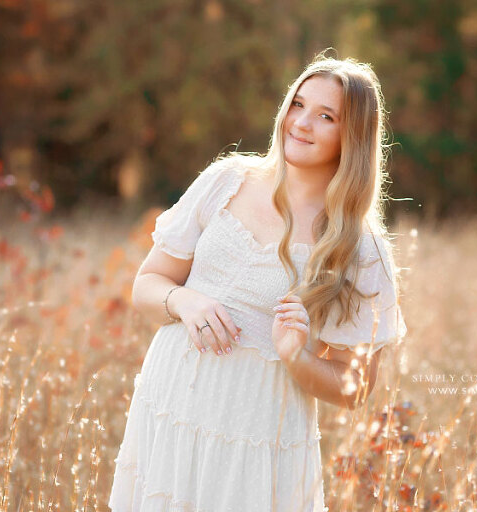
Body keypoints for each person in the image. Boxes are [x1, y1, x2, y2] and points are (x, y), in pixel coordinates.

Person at [108, 50, 408, 512]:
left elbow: (358, 388)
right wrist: (184, 301)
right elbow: (147, 284)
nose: (301, 123)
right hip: (171, 407)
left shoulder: (359, 247)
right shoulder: (226, 180)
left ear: (352, 137)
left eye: (325, 116)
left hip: (257, 435)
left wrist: (296, 355)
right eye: (297, 104)